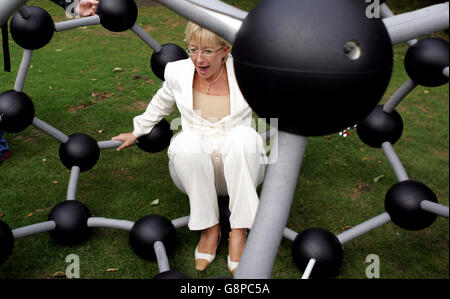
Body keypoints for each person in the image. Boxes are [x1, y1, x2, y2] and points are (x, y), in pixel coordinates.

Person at [112, 22, 268, 274]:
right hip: (196, 167)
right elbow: (161, 103)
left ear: (225, 50)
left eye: (207, 51)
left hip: (241, 166)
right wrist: (136, 131)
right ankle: (210, 229)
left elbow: (274, 96)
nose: (198, 58)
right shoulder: (177, 71)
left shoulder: (244, 72)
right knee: (186, 141)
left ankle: (239, 232)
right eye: (193, 49)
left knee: (244, 136)